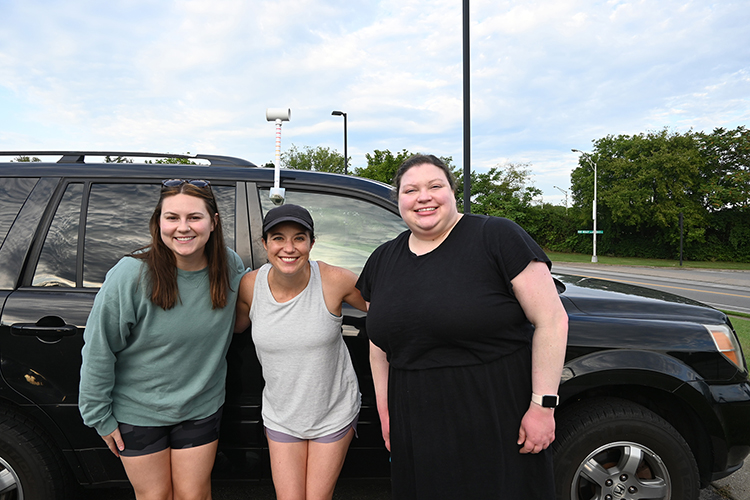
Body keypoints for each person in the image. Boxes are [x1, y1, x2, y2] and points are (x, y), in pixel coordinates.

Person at [356, 154, 569, 499]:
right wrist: (386, 412)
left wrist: (542, 406)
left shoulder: (496, 236)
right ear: (399, 200)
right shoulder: (382, 259)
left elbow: (552, 320)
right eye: (411, 190)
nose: (423, 197)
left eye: (435, 186)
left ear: (453, 192)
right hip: (416, 418)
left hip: (495, 412)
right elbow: (380, 345)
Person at [79, 179, 247, 500]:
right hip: (137, 410)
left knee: (194, 495)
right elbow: (99, 348)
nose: (182, 228)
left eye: (194, 217)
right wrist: (98, 416)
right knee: (155, 496)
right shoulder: (131, 274)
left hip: (200, 406)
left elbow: (260, 299)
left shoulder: (228, 266)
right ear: (159, 222)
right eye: (172, 217)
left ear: (213, 222)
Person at [234, 203, 366, 500]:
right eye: (278, 238)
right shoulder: (249, 286)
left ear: (312, 243)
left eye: (299, 238)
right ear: (265, 244)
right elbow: (231, 328)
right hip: (282, 415)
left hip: (333, 411)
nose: (289, 248)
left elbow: (389, 308)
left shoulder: (336, 281)